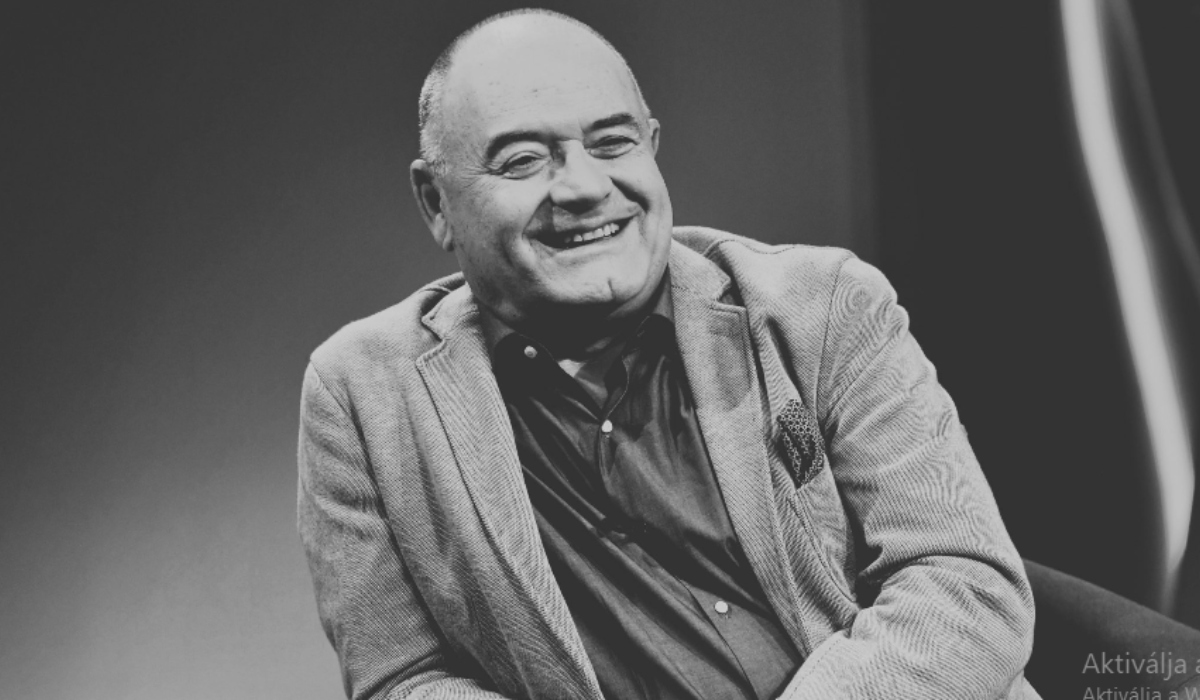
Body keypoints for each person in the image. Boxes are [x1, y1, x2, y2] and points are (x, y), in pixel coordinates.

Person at [297, 9, 1040, 700]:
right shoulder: (362, 393)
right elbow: (406, 680)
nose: (585, 186)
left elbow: (964, 583)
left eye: (612, 143)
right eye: (523, 160)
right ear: (435, 202)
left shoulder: (823, 305)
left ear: (652, 147)